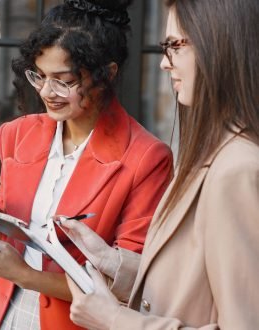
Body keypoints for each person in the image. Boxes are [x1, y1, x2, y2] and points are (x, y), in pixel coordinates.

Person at [0, 0, 173, 329]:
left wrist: (26, 276)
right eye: (39, 75)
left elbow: (129, 284)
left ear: (106, 74)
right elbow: (11, 239)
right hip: (10, 315)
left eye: (64, 80)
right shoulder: (17, 134)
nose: (46, 92)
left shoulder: (146, 158)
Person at [63, 0, 259, 329]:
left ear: (220, 46)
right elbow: (193, 283)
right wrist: (113, 262)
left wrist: (113, 319)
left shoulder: (237, 170)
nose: (163, 65)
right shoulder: (214, 155)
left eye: (174, 46)